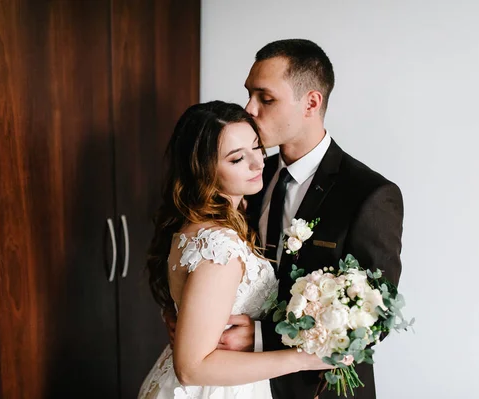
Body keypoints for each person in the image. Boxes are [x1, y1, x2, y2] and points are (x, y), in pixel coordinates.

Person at [163, 39, 404, 399]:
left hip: (317, 388)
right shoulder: (245, 174)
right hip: (232, 382)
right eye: (248, 95)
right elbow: (199, 254)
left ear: (311, 103)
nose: (249, 108)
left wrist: (261, 337)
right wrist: (185, 316)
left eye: (266, 98)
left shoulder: (369, 194)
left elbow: (371, 321)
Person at [138, 101, 351, 399]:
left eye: (256, 148)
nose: (258, 163)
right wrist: (305, 357)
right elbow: (191, 368)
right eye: (237, 159)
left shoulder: (204, 222)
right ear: (203, 169)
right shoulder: (218, 246)